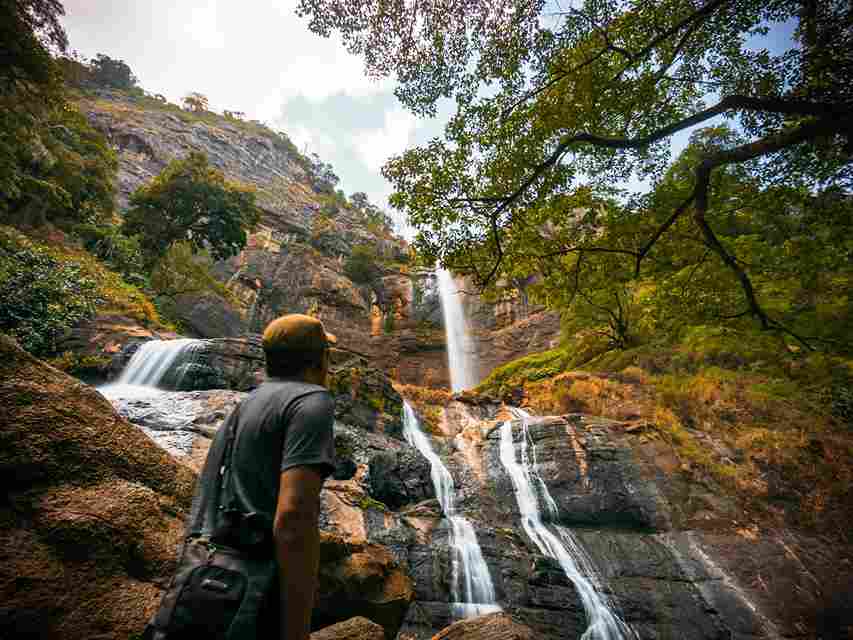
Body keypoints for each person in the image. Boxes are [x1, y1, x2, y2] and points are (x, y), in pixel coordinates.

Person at [184, 313, 337, 640]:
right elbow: (294, 516)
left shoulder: (247, 404)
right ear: (320, 359)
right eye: (328, 353)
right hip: (258, 589)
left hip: (216, 581)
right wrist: (297, 629)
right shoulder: (312, 402)